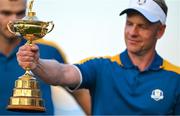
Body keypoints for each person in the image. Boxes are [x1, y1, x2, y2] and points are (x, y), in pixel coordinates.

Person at [17, 0, 180, 115]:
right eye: (129, 24)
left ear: (160, 31)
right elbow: (63, 73)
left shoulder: (176, 79)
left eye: (142, 26)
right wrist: (36, 63)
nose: (132, 32)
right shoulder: (102, 67)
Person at [0, 0, 90, 115]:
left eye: (20, 13)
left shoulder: (49, 50)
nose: (13, 19)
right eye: (6, 13)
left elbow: (79, 92)